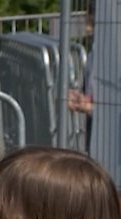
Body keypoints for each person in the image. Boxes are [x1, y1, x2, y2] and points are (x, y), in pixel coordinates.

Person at [67, 0, 95, 152]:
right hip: (96, 128)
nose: (87, 27)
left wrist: (91, 108)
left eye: (91, 19)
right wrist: (82, 99)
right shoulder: (95, 50)